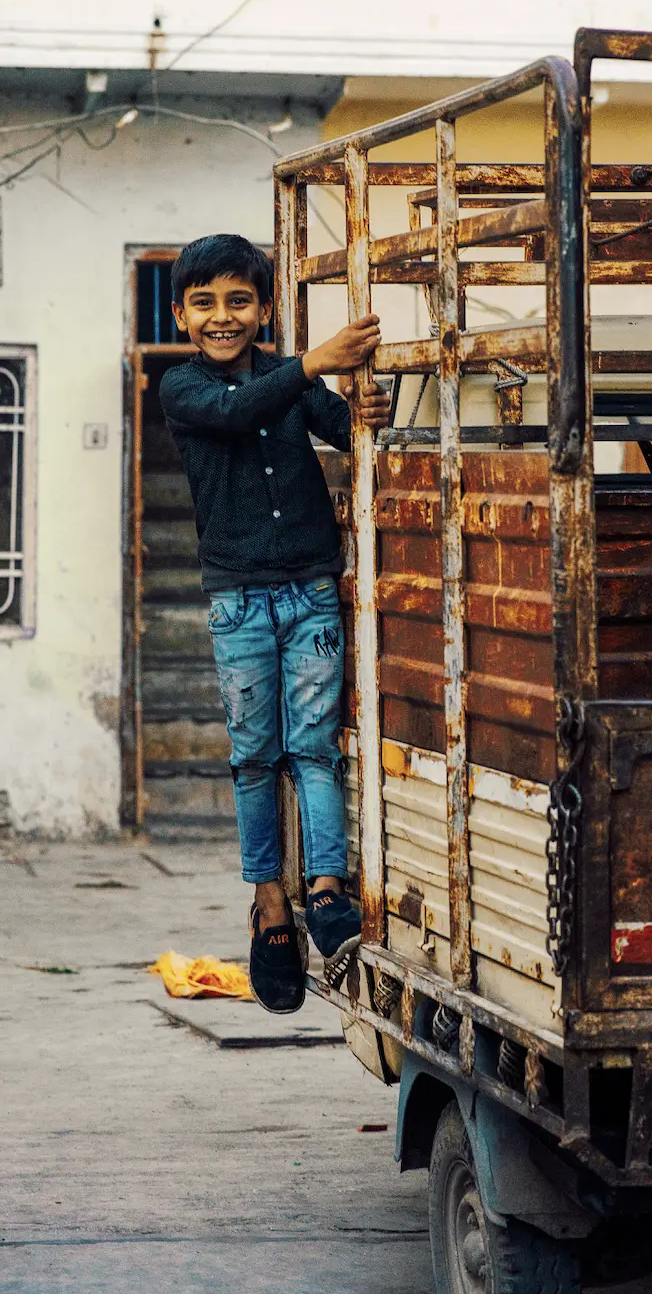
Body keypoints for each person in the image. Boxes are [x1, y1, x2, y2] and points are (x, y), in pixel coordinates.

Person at [159, 233, 390, 1014]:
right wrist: (313, 363)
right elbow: (239, 410)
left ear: (262, 309)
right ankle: (269, 906)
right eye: (205, 303)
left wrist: (366, 407)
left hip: (311, 590)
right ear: (182, 315)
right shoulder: (181, 388)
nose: (223, 317)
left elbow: (340, 422)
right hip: (238, 600)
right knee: (255, 756)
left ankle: (325, 887)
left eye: (238, 301)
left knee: (314, 749)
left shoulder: (291, 378)